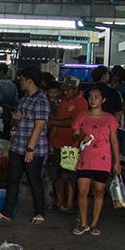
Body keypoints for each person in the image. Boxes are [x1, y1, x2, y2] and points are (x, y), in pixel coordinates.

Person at [0, 66, 50, 223]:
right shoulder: (24, 99)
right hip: (17, 147)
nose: (20, 82)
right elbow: (16, 123)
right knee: (12, 179)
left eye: (22, 80)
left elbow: (39, 126)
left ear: (29, 81)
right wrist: (15, 121)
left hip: (34, 149)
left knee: (34, 180)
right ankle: (7, 212)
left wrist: (30, 149)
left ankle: (39, 213)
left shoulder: (41, 100)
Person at [70, 87, 121, 236]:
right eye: (91, 96)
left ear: (103, 100)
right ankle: (83, 223)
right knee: (82, 191)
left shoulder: (110, 119)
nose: (93, 99)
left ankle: (93, 224)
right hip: (85, 159)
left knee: (99, 192)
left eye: (96, 97)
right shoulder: (82, 116)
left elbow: (114, 142)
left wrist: (117, 162)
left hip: (103, 160)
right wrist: (81, 137)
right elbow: (74, 136)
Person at [47, 76, 88, 214]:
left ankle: (69, 203)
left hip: (71, 144)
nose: (65, 92)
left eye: (68, 90)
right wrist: (51, 141)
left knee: (69, 175)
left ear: (76, 89)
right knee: (57, 175)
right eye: (64, 90)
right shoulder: (63, 101)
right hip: (58, 142)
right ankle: (59, 201)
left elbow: (73, 121)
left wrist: (54, 123)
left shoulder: (81, 103)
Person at [0, 62, 19, 139]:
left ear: (1, 72)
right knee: (5, 139)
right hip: (7, 116)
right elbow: (16, 103)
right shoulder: (12, 85)